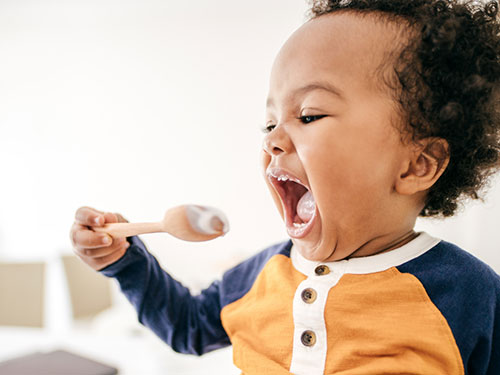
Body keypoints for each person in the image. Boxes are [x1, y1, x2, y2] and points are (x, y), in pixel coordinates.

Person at [70, 0, 500, 373]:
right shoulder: (263, 273)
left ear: (417, 165)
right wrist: (126, 262)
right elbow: (186, 326)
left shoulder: (468, 292)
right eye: (270, 122)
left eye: (310, 115)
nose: (273, 139)